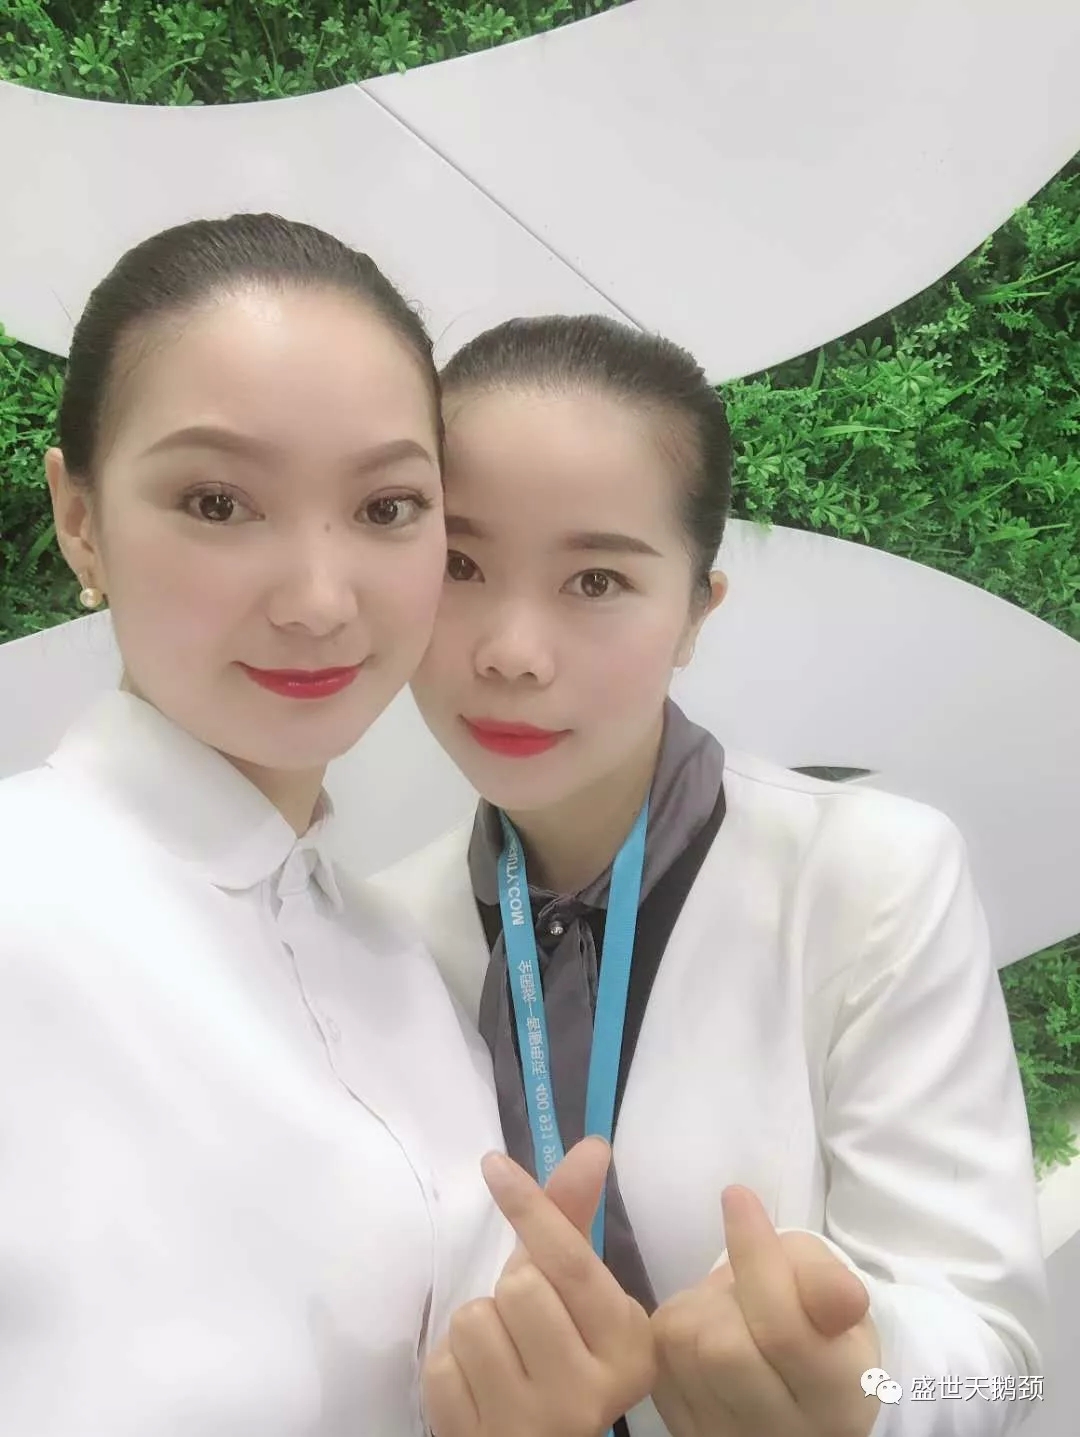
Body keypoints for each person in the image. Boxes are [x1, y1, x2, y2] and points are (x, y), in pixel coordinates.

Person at [0, 224, 655, 1437]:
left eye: (386, 506)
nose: (317, 600)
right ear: (79, 517)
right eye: (218, 502)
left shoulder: (395, 961)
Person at [366, 314, 1049, 1437]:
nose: (512, 651)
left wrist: (865, 1390)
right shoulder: (376, 937)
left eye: (596, 579)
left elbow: (1003, 1378)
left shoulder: (865, 877)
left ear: (695, 612)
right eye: (459, 564)